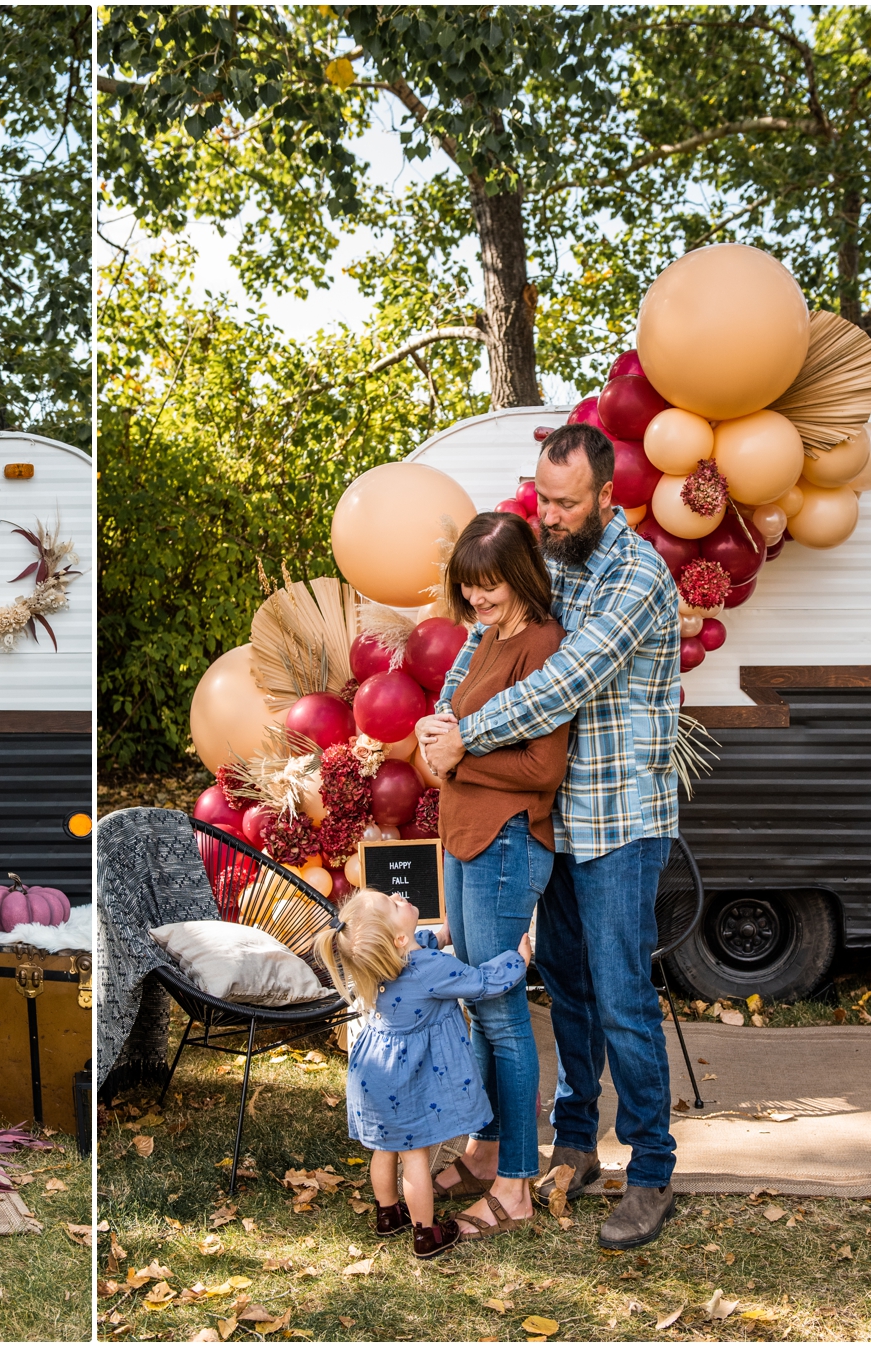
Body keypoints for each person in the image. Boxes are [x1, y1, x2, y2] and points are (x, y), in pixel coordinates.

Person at [417, 421, 683, 1250]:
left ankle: (651, 1169)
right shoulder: (554, 558)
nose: (552, 514)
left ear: (610, 495)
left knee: (622, 995)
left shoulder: (635, 577)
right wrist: (440, 715)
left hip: (621, 821)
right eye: (544, 497)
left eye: (567, 502)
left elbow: (565, 682)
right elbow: (491, 635)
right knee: (564, 985)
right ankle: (573, 1141)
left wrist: (467, 737)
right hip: (554, 819)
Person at [413, 511, 568, 1243]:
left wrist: (456, 758)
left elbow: (543, 769)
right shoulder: (487, 640)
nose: (477, 600)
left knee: (502, 1013)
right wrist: (433, 741)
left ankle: (515, 1183)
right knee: (477, 1003)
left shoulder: (542, 645)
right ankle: (481, 1150)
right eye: (469, 587)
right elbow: (452, 727)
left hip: (507, 842)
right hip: (466, 834)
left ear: (523, 577)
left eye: (491, 586)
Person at [314, 888, 532, 1260]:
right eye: (394, 904)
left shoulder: (379, 962)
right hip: (408, 1082)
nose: (399, 896)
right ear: (399, 938)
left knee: (385, 1150)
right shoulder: (431, 968)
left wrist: (442, 935)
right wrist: (518, 961)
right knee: (415, 1158)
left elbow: (417, 944)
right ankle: (426, 1233)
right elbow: (481, 982)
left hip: (374, 1076)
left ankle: (387, 1214)